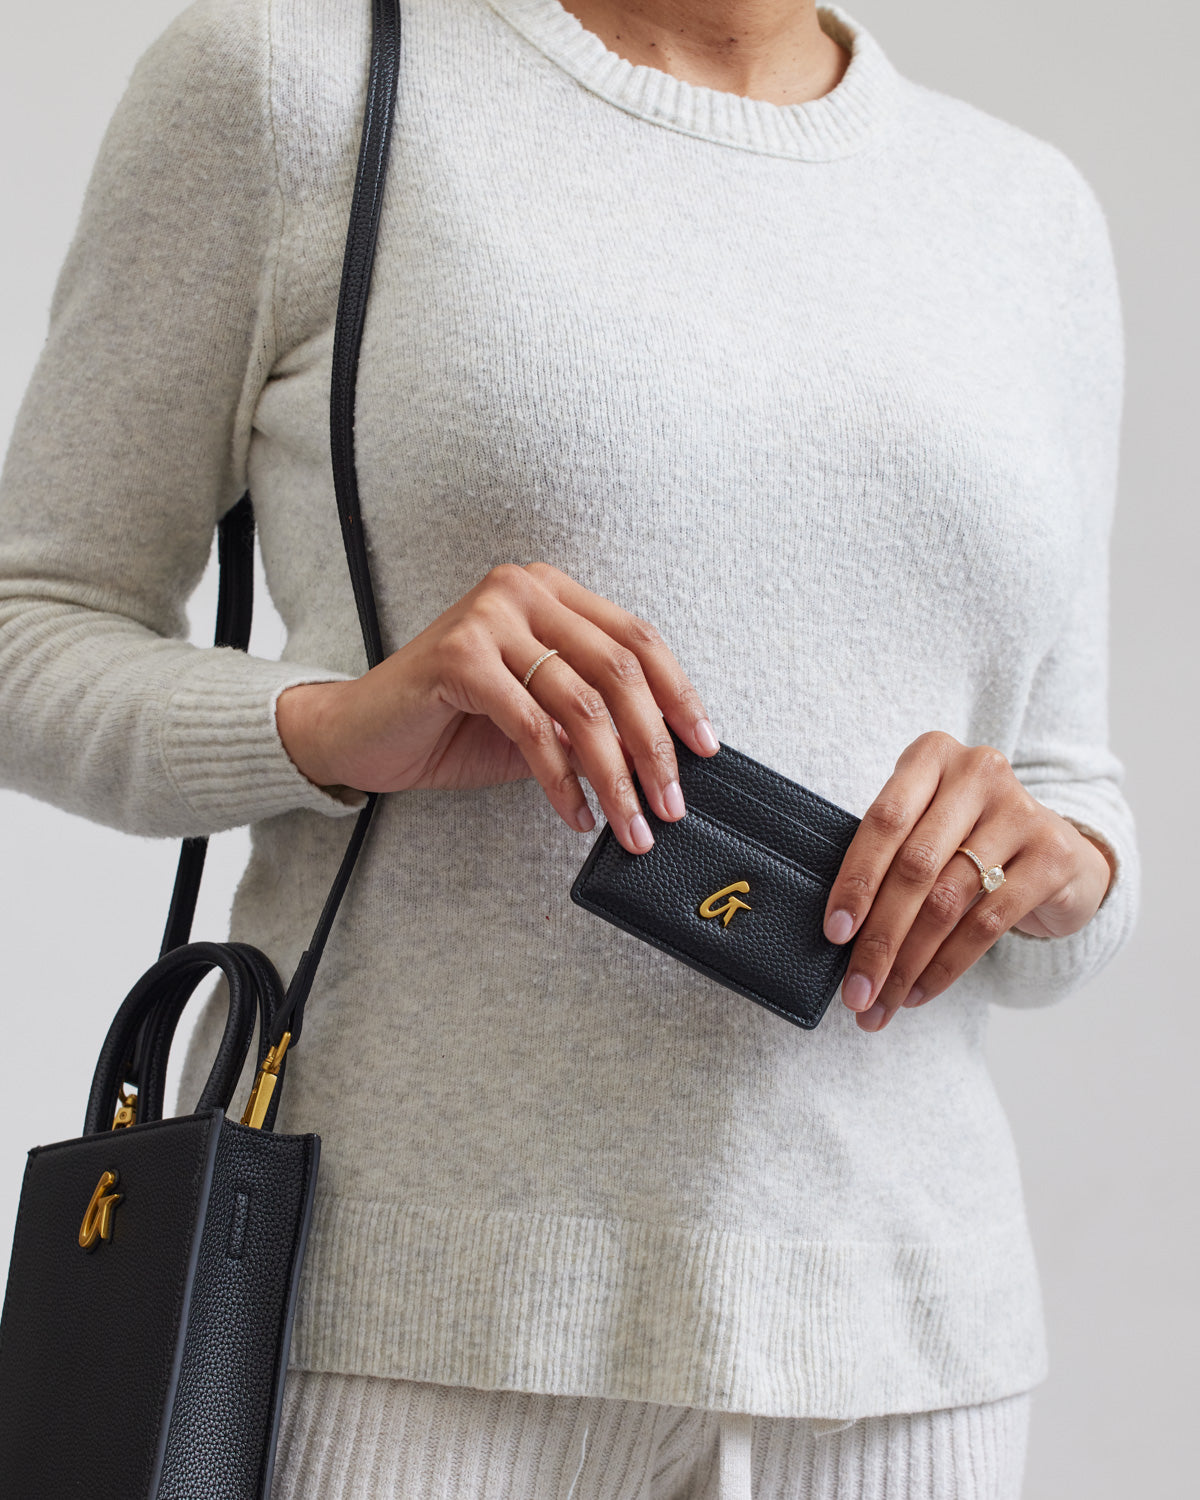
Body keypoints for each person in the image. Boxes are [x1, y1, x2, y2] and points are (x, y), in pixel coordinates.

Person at [0, 0, 1140, 1495]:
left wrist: (1054, 871)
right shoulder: (295, 86)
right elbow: (33, 622)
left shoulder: (1023, 210)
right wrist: (330, 726)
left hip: (905, 1360)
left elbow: (1069, 789)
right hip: (389, 1334)